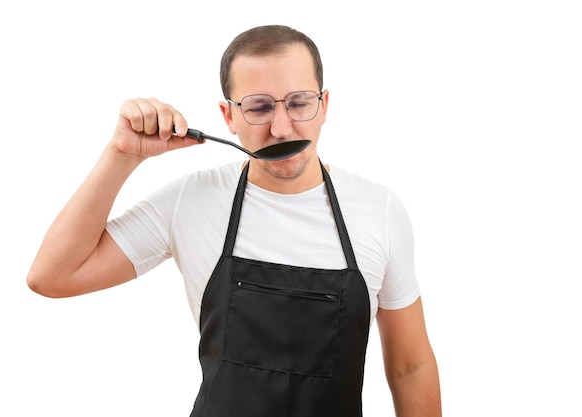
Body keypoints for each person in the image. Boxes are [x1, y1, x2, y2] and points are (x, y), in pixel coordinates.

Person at [27, 24, 442, 417]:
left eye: (298, 102)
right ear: (228, 117)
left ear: (324, 105)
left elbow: (411, 365)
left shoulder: (379, 210)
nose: (281, 128)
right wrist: (122, 155)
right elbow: (53, 276)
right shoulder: (192, 200)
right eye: (259, 108)